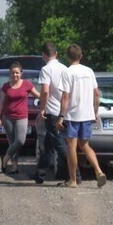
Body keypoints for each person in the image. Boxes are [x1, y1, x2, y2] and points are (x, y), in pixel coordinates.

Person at [56, 44, 106, 188]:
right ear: (81, 56)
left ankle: (73, 180)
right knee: (85, 145)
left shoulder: (67, 72)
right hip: (87, 114)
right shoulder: (89, 71)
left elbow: (65, 96)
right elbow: (96, 93)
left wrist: (60, 116)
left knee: (71, 146)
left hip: (72, 115)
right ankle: (99, 171)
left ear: (68, 57)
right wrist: (95, 112)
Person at [34, 42, 69, 184]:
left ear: (43, 55)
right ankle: (41, 173)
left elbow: (45, 91)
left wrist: (42, 108)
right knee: (48, 143)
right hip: (65, 110)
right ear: (56, 53)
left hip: (52, 111)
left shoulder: (46, 69)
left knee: (59, 144)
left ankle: (75, 174)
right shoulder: (65, 69)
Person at [0, 61, 40, 174]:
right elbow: (1, 102)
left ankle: (5, 158)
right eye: (13, 73)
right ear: (10, 74)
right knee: (12, 143)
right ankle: (15, 167)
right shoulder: (6, 86)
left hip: (22, 117)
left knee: (20, 141)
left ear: (21, 73)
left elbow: (39, 95)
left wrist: (49, 95)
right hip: (8, 117)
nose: (15, 75)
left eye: (17, 73)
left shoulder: (27, 84)